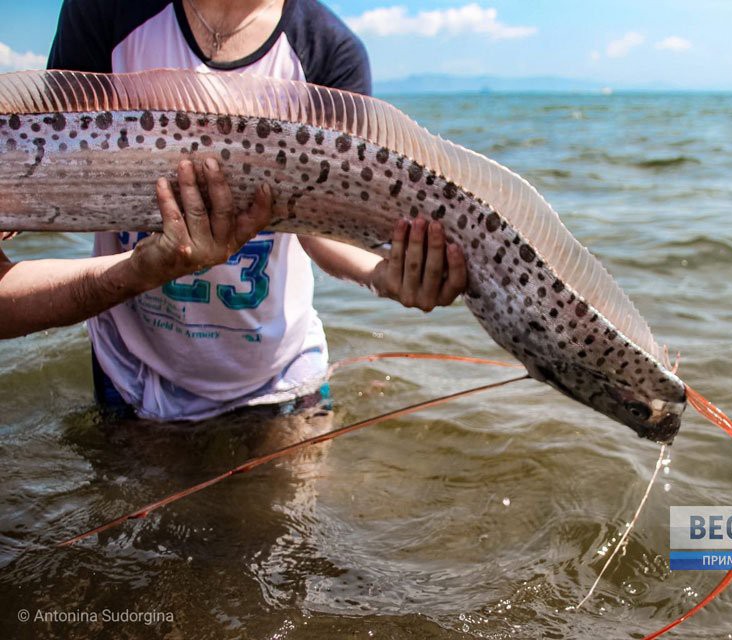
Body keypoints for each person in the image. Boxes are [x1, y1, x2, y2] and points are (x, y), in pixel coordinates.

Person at [43, 0, 467, 421]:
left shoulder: (328, 51)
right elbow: (44, 156)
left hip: (278, 371)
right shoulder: (103, 12)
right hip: (132, 365)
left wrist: (379, 275)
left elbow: (321, 224)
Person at [0, 160, 272, 340]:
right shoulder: (98, 71)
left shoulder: (306, 69)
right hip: (128, 376)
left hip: (283, 373)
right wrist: (134, 272)